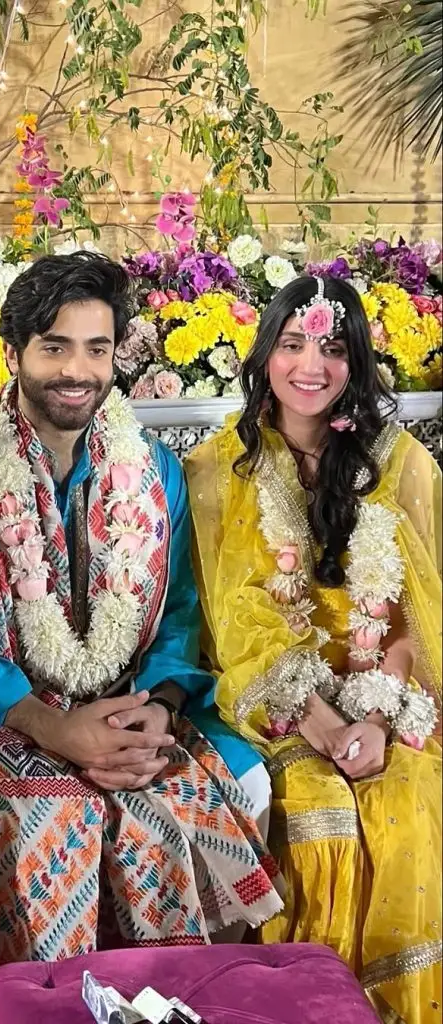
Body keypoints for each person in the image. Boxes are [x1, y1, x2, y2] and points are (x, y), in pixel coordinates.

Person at [0, 253, 284, 977]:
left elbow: (179, 610)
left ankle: (179, 987)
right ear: (11, 353)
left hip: (130, 704)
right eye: (54, 347)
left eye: (96, 348)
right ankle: (49, 996)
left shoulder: (150, 470)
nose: (76, 369)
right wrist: (53, 727)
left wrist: (163, 705)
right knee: (55, 816)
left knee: (247, 781)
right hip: (4, 716)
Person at [185, 274, 442, 1024]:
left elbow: (413, 620)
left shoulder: (403, 466)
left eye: (332, 348)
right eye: (292, 344)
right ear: (264, 355)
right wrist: (325, 725)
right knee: (320, 812)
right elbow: (236, 629)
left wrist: (376, 716)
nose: (311, 366)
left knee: (407, 796)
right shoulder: (216, 471)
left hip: (382, 694)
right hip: (268, 699)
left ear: (355, 364)